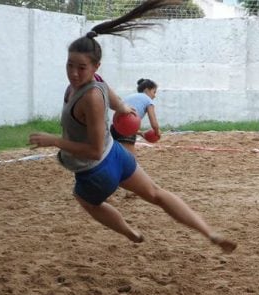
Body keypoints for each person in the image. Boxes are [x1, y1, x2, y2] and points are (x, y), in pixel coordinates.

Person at [28, 0, 236, 253]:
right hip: (117, 156)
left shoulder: (90, 97)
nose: (73, 73)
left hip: (96, 171)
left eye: (81, 67)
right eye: (70, 65)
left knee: (87, 202)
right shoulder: (97, 83)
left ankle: (129, 231)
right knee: (157, 194)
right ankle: (209, 232)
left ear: (95, 67)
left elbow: (93, 151)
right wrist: (126, 110)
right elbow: (116, 100)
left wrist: (55, 141)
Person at [111, 78, 161, 155]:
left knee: (116, 154)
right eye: (154, 92)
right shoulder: (148, 100)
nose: (155, 96)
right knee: (131, 157)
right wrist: (157, 133)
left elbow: (123, 124)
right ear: (147, 90)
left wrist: (140, 133)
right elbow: (154, 123)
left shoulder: (131, 96)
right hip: (127, 126)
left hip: (114, 126)